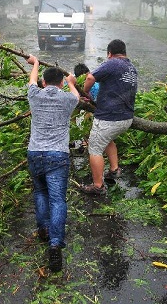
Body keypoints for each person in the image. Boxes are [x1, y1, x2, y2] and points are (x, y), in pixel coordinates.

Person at [26, 54, 80, 272]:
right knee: (57, 200)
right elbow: (76, 95)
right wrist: (71, 82)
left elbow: (31, 81)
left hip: (34, 153)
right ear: (60, 84)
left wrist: (35, 63)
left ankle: (43, 229)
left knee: (40, 193)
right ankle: (55, 243)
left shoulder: (34, 95)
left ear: (44, 83)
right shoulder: (67, 99)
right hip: (57, 155)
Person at [80, 39, 138, 195]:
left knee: (95, 148)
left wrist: (84, 92)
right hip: (126, 117)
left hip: (109, 117)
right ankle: (114, 169)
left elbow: (91, 77)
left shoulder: (113, 63)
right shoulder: (131, 67)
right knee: (107, 139)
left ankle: (98, 186)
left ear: (109, 53)